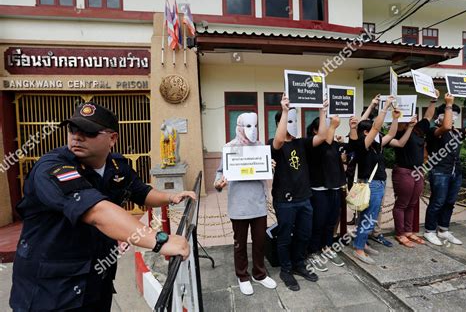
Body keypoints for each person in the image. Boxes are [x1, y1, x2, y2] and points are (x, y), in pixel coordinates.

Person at [9, 102, 196, 312]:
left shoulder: (116, 165)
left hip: (96, 282)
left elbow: (141, 192)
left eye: (88, 132)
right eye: (72, 130)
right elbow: (96, 211)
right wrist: (161, 241)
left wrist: (171, 197)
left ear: (112, 138)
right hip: (50, 291)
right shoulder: (53, 167)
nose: (77, 137)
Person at [214, 112, 277, 296]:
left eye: (255, 126)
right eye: (248, 126)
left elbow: (265, 170)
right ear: (240, 127)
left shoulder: (260, 147)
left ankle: (260, 273)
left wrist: (269, 164)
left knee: (259, 242)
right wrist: (218, 184)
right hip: (238, 206)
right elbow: (219, 174)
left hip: (258, 204)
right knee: (239, 243)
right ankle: (242, 275)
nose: (253, 130)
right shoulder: (229, 148)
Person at [269, 94, 326, 291]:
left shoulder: (301, 143)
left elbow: (322, 136)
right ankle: (286, 270)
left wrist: (322, 109)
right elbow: (278, 141)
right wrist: (285, 111)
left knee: (303, 235)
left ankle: (299, 264)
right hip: (284, 200)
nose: (292, 124)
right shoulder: (274, 143)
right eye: (288, 121)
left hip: (304, 198)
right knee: (285, 237)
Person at [349, 96, 399, 265]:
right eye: (374, 131)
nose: (378, 133)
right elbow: (376, 126)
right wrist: (384, 108)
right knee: (369, 217)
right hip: (371, 185)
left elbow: (392, 133)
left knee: (367, 216)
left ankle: (361, 242)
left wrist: (395, 118)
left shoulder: (377, 146)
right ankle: (359, 249)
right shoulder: (362, 145)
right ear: (366, 133)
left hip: (379, 183)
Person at [423, 94, 466, 245]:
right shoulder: (434, 131)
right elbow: (445, 126)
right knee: (437, 202)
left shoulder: (457, 132)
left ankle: (443, 230)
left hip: (455, 173)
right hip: (439, 172)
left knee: (450, 202)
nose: (452, 118)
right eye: (449, 115)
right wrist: (449, 104)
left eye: (454, 116)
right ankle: (429, 231)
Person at [389, 93, 438, 247]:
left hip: (418, 171)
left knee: (412, 204)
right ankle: (400, 233)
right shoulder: (398, 130)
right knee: (402, 204)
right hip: (403, 171)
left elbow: (428, 116)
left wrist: (433, 100)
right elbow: (398, 140)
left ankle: (409, 231)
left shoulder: (418, 129)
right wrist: (401, 120)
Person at [306, 115, 346, 272]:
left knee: (331, 221)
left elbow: (336, 158)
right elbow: (324, 148)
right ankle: (313, 251)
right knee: (318, 222)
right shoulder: (312, 144)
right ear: (316, 130)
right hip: (319, 189)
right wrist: (332, 128)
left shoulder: (334, 143)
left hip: (334, 187)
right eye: (325, 126)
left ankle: (327, 248)